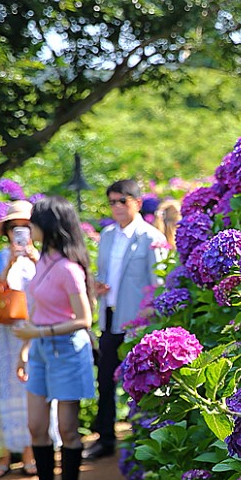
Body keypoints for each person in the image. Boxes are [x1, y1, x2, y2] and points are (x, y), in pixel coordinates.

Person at [13, 196, 96, 480]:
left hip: (67, 351)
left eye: (33, 221)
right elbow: (34, 311)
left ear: (48, 227)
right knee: (36, 427)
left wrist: (39, 334)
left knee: (68, 430)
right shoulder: (43, 261)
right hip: (41, 351)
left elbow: (84, 319)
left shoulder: (68, 269)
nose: (28, 226)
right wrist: (25, 349)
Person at [87, 179, 166, 460]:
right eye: (112, 202)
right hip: (109, 317)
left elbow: (158, 283)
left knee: (142, 382)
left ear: (138, 202)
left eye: (123, 201)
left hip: (138, 322)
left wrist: (148, 318)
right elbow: (104, 274)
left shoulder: (150, 237)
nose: (117, 206)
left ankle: (143, 439)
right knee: (105, 380)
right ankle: (105, 438)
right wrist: (98, 286)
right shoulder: (107, 235)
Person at [0, 200, 38, 480]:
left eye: (25, 226)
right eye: (14, 227)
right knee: (5, 388)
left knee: (30, 389)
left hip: (34, 330)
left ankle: (30, 451)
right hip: (5, 333)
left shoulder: (42, 258)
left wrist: (33, 257)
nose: (19, 232)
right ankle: (5, 453)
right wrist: (11, 262)